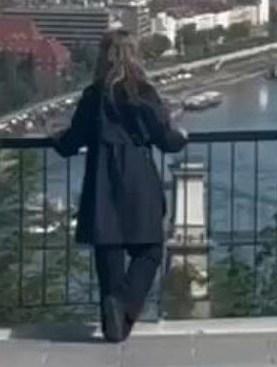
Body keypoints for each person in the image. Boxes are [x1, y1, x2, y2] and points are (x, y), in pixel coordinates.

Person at [51, 29, 188, 343]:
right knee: (150, 249)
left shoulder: (93, 95)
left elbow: (72, 141)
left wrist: (58, 139)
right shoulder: (144, 93)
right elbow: (166, 140)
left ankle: (114, 312)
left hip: (102, 176)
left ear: (103, 57)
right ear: (136, 55)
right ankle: (125, 309)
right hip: (138, 175)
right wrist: (181, 137)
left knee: (108, 251)